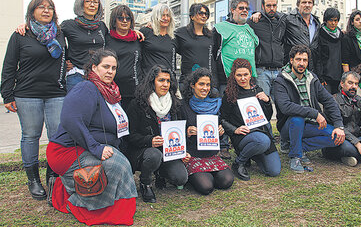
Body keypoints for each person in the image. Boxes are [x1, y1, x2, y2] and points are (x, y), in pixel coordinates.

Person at [46, 49, 137, 226]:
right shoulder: (86, 87)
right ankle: (73, 202)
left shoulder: (110, 91)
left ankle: (66, 189)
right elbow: (70, 120)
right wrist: (96, 147)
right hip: (67, 150)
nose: (110, 71)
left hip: (85, 147)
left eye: (114, 68)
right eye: (106, 67)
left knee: (120, 162)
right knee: (117, 165)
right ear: (94, 67)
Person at [1, 0, 66, 200]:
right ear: (32, 12)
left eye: (50, 8)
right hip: (27, 94)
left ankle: (52, 175)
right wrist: (7, 94)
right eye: (41, 7)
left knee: (56, 136)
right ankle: (33, 179)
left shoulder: (60, 34)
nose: (46, 11)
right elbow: (9, 66)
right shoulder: (21, 35)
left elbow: (68, 58)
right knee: (31, 136)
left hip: (56, 93)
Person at [272, 45, 345, 173]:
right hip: (289, 126)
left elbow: (328, 100)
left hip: (310, 124)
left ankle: (299, 147)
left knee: (335, 137)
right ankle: (295, 156)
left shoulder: (312, 78)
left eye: (304, 60)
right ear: (291, 60)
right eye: (298, 59)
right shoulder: (281, 80)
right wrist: (314, 113)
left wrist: (339, 125)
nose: (301, 63)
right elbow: (285, 107)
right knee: (297, 118)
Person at [125, 65, 189, 203]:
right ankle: (145, 183)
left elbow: (179, 130)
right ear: (152, 81)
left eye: (168, 81)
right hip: (144, 150)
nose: (165, 84)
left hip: (168, 151)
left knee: (181, 178)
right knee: (154, 155)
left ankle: (160, 172)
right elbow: (129, 135)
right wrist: (150, 140)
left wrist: (183, 151)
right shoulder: (138, 104)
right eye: (161, 80)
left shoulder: (175, 103)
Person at [220, 59, 281, 181]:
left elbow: (267, 118)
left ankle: (250, 155)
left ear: (250, 74)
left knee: (274, 171)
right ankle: (239, 162)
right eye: (239, 75)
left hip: (262, 132)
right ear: (234, 76)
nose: (243, 78)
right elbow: (222, 119)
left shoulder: (257, 90)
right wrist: (235, 129)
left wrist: (267, 102)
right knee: (262, 141)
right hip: (243, 136)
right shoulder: (230, 94)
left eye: (245, 75)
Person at [180, 68, 234, 195]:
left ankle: (205, 173)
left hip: (212, 154)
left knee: (226, 181)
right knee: (206, 187)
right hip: (193, 155)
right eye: (201, 84)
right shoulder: (183, 106)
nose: (205, 88)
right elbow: (176, 132)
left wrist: (220, 132)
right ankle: (193, 174)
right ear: (192, 85)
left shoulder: (215, 104)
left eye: (208, 84)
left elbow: (216, 132)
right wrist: (186, 132)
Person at [62, 0, 108, 91]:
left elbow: (112, 41)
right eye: (88, 1)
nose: (92, 5)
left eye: (95, 2)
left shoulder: (102, 26)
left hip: (98, 75)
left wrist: (134, 32)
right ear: (81, 3)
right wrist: (65, 61)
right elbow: (54, 38)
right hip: (77, 75)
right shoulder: (68, 25)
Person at [213, 0, 259, 92]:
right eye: (241, 8)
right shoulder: (220, 28)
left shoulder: (250, 29)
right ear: (232, 10)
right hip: (227, 82)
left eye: (247, 8)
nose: (245, 10)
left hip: (249, 82)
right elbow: (213, 54)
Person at [248, 0, 286, 98]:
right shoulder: (254, 22)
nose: (272, 8)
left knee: (281, 106)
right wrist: (256, 13)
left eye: (274, 5)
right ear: (263, 6)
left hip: (279, 71)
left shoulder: (282, 22)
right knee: (263, 105)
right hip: (261, 71)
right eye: (268, 6)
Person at [105, 5, 143, 111]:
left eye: (128, 18)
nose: (124, 21)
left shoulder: (138, 39)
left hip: (134, 91)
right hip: (112, 90)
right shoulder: (107, 38)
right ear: (114, 21)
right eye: (120, 18)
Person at [175, 3, 217, 91]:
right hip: (187, 82)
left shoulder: (211, 35)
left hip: (207, 82)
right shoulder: (180, 33)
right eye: (200, 13)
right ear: (192, 16)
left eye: (206, 14)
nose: (204, 16)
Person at [283, 0, 321, 74]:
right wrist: (258, 14)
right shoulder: (289, 19)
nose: (307, 5)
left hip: (311, 68)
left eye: (310, 3)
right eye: (304, 2)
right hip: (293, 68)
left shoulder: (317, 22)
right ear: (298, 5)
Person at [140, 4, 176, 75]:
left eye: (168, 15)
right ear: (156, 17)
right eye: (162, 15)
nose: (165, 18)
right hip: (149, 80)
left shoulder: (173, 37)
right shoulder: (145, 32)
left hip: (167, 80)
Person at [317, 8, 343, 94]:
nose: (333, 23)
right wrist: (320, 77)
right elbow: (318, 58)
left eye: (335, 20)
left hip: (339, 77)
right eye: (330, 20)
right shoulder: (320, 34)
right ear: (325, 21)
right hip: (325, 78)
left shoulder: (341, 35)